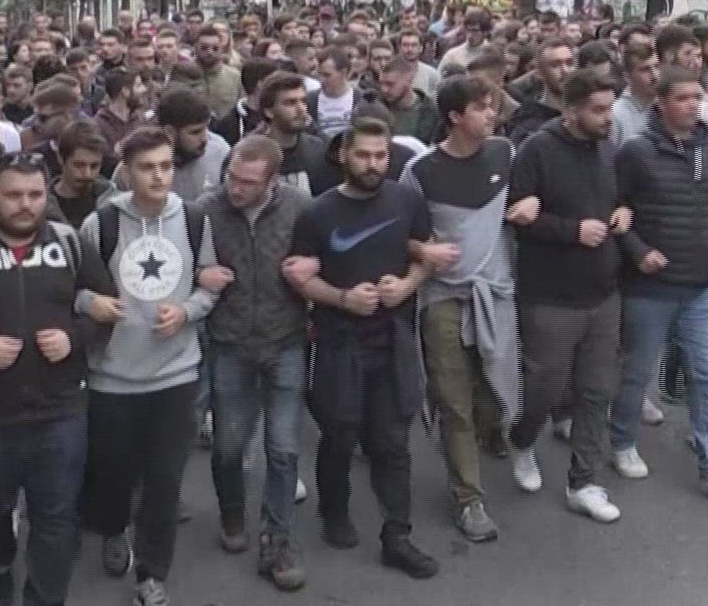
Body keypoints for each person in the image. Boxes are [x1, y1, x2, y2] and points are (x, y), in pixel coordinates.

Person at [0, 151, 111, 606]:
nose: (25, 204)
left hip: (59, 410)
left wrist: (74, 338)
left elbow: (107, 308)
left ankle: (44, 596)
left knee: (56, 516)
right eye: (14, 195)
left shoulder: (71, 244)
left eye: (35, 194)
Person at [281, 118, 442, 579]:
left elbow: (426, 254)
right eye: (363, 155)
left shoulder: (407, 200)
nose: (373, 164)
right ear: (343, 156)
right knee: (340, 434)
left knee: (393, 441)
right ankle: (334, 511)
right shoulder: (317, 213)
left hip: (392, 339)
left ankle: (397, 537)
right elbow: (301, 279)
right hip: (339, 342)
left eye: (380, 155)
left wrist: (406, 285)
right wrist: (342, 298)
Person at [74, 127, 219, 606]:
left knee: (164, 481)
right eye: (146, 167)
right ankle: (114, 528)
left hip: (176, 374)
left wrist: (188, 311)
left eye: (165, 166)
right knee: (113, 473)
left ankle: (152, 574)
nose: (158, 176)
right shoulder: (101, 224)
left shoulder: (194, 220)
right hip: (112, 377)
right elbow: (71, 287)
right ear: (126, 172)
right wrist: (92, 303)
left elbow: (209, 284)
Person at [608, 66, 708, 506]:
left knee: (706, 376)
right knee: (636, 373)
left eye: (696, 98)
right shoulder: (636, 152)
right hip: (651, 288)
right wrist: (638, 250)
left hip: (704, 284)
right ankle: (622, 441)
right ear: (661, 104)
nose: (692, 106)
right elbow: (614, 209)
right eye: (682, 98)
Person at [402, 76, 524, 543]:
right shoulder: (419, 171)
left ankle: (493, 432)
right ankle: (468, 498)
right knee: (454, 401)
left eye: (493, 105)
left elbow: (528, 200)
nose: (492, 114)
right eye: (480, 107)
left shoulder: (505, 153)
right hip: (443, 298)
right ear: (454, 116)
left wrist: (529, 205)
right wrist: (422, 249)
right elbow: (399, 228)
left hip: (496, 294)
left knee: (494, 393)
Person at [505, 70, 630, 524]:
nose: (608, 117)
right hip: (550, 297)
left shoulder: (608, 149)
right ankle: (521, 440)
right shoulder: (537, 150)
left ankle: (584, 483)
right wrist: (571, 230)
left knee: (597, 391)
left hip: (603, 293)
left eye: (610, 108)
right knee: (545, 387)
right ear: (571, 110)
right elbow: (517, 218)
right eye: (598, 110)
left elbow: (618, 197)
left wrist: (622, 211)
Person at [201, 135, 313, 586]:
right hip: (229, 343)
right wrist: (201, 274)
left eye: (247, 182)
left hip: (285, 340)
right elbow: (182, 263)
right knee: (228, 446)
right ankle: (232, 513)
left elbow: (324, 255)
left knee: (283, 448)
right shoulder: (205, 210)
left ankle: (278, 540)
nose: (236, 188)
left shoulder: (300, 208)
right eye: (232, 177)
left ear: (272, 182)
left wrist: (313, 269)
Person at [379, 55, 444, 146]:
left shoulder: (431, 114)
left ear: (408, 79)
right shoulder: (377, 109)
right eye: (382, 84)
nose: (384, 90)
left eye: (390, 84)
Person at [611, 41, 660, 146]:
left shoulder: (665, 107)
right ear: (627, 77)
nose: (655, 75)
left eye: (657, 66)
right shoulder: (616, 116)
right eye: (645, 69)